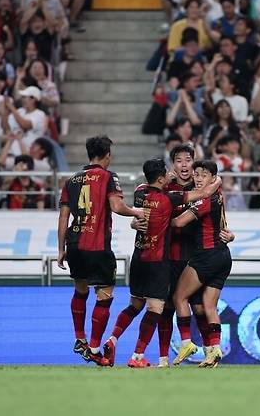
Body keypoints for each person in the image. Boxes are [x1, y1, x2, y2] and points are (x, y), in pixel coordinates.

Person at [104, 158, 222, 368]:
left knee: (135, 305)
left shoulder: (141, 192)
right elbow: (204, 194)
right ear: (160, 178)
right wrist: (217, 179)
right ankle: (138, 356)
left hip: (138, 259)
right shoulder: (170, 198)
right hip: (158, 262)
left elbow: (141, 212)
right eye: (168, 171)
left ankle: (112, 339)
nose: (171, 173)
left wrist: (135, 221)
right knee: (157, 309)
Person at [57, 135, 144, 367]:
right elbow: (116, 207)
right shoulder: (108, 177)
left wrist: (60, 249)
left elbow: (63, 217)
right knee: (104, 295)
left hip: (74, 243)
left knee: (80, 290)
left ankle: (79, 338)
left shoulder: (71, 180)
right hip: (97, 246)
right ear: (108, 155)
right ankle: (95, 348)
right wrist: (136, 212)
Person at [172, 160, 232, 368]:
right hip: (224, 257)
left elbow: (179, 222)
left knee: (180, 297)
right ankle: (214, 351)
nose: (198, 178)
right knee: (208, 306)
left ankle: (187, 343)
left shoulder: (204, 200)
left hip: (206, 256)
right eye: (196, 174)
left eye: (203, 175)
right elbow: (223, 225)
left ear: (212, 178)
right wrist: (230, 235)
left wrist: (160, 218)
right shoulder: (218, 195)